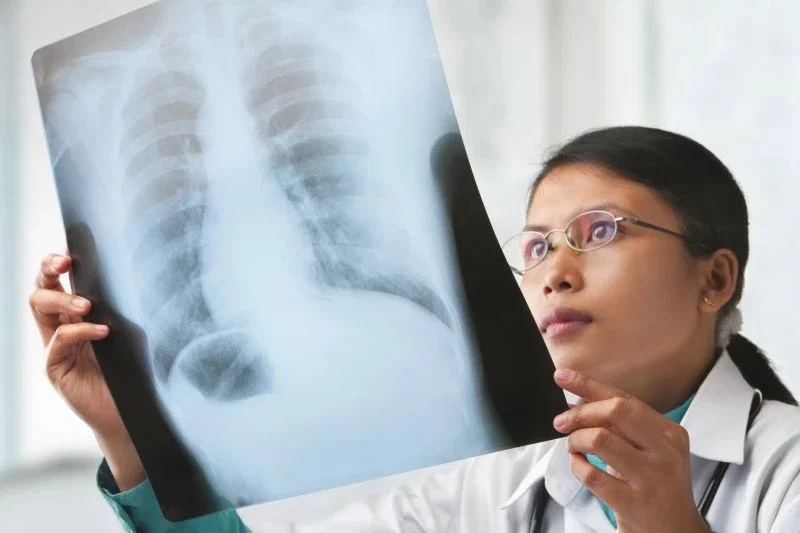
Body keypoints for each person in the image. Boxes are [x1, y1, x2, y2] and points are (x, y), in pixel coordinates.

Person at [29, 126, 800, 532]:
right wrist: (128, 437)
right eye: (537, 247)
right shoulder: (494, 485)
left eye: (599, 232)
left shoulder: (785, 468)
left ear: (714, 279)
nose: (555, 273)